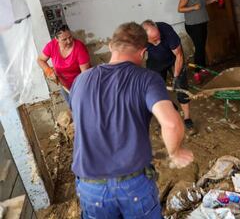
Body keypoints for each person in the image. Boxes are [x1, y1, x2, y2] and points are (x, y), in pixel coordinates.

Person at [69, 22, 193, 219]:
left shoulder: (81, 81)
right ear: (143, 52)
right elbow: (170, 123)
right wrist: (175, 152)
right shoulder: (147, 79)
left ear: (111, 46)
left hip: (90, 186)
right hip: (133, 184)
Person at [141, 20, 195, 133]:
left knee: (181, 87)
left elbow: (179, 55)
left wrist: (176, 77)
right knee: (156, 92)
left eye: (158, 36)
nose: (159, 40)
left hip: (173, 60)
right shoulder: (139, 39)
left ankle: (187, 118)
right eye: (154, 39)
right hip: (155, 62)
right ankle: (169, 110)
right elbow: (137, 55)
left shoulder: (167, 31)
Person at [177, 0, 222, 84]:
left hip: (202, 23)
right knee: (199, 47)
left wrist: (214, 0)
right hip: (193, 25)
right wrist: (192, 7)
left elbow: (203, 3)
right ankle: (197, 72)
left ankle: (202, 68)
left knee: (201, 46)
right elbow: (180, 9)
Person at [37, 24, 90, 103]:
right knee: (73, 109)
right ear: (56, 39)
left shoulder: (79, 47)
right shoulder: (51, 46)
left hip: (82, 85)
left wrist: (80, 91)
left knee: (83, 107)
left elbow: (85, 74)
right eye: (64, 39)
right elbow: (40, 60)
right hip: (64, 86)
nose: (69, 41)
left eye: (70, 37)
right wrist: (48, 71)